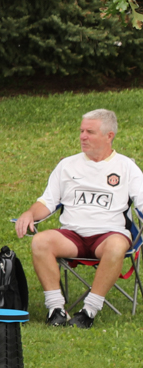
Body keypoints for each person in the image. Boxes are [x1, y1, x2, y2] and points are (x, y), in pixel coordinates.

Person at [14, 109, 143, 327]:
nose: (83, 136)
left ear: (109, 136)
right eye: (82, 131)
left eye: (90, 132)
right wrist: (30, 213)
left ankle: (89, 310)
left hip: (109, 235)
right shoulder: (67, 165)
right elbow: (47, 202)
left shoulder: (126, 167)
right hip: (72, 236)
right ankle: (56, 309)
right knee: (40, 241)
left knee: (115, 246)